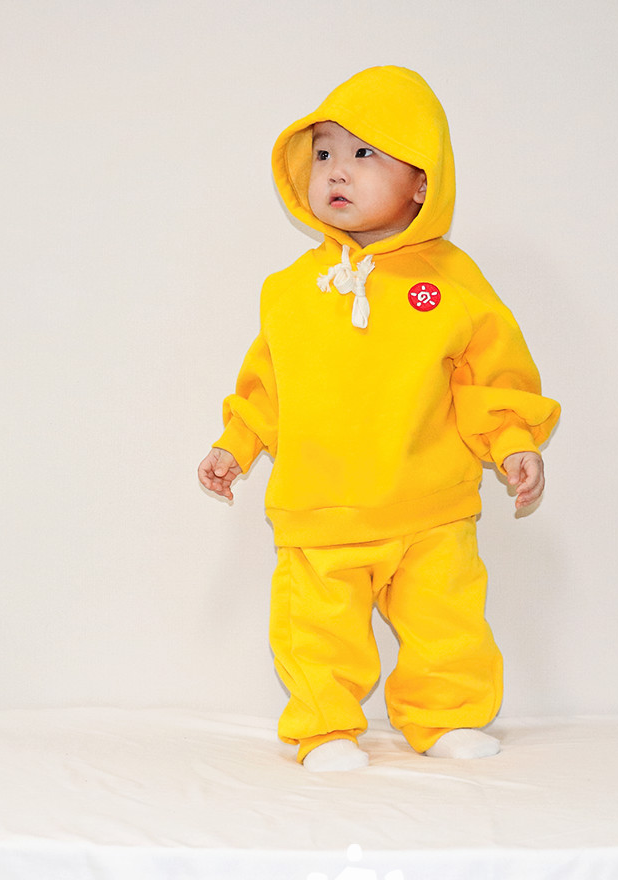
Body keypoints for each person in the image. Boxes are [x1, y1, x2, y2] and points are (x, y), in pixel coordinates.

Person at [198, 66, 560, 771]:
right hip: (321, 508)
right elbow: (268, 384)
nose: (336, 170)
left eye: (364, 153)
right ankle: (326, 728)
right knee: (317, 628)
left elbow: (486, 377)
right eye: (323, 153)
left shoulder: (452, 282)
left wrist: (513, 441)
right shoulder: (290, 292)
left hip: (430, 507)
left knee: (445, 622)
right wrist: (235, 444)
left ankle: (447, 716)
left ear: (422, 181)